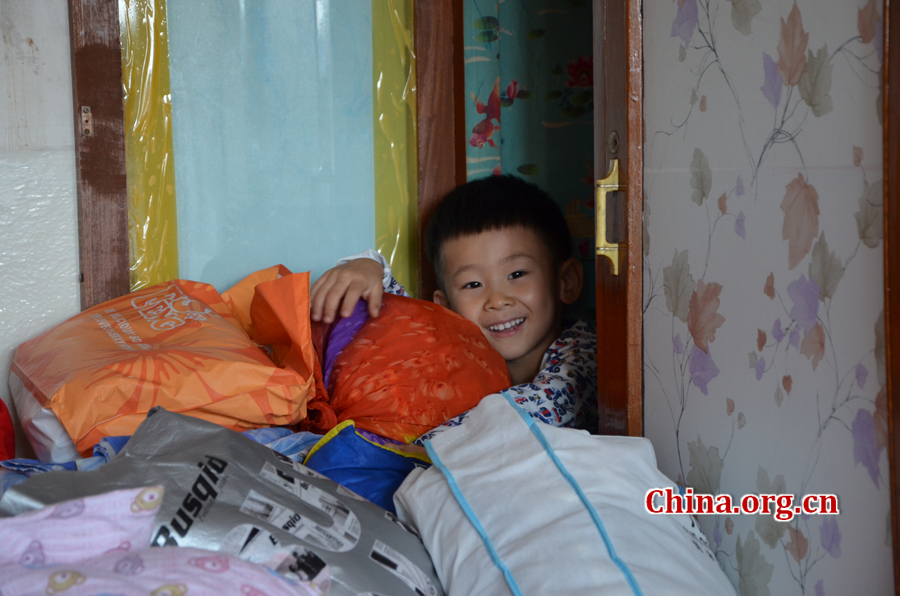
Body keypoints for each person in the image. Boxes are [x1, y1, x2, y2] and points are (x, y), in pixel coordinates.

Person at [310, 175, 598, 446]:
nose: (497, 300)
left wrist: (419, 449)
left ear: (566, 282)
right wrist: (369, 267)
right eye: (473, 284)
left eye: (517, 274)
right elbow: (411, 334)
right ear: (445, 308)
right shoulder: (455, 353)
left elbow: (524, 422)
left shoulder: (583, 355)